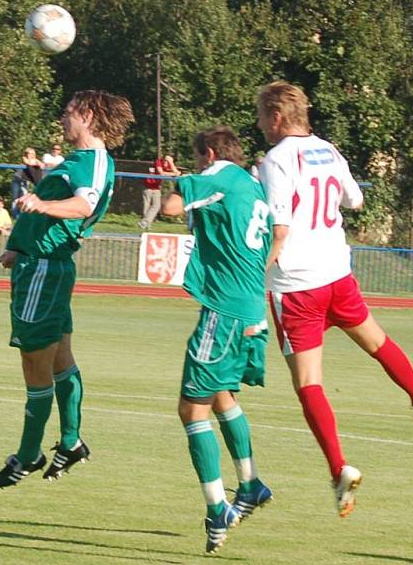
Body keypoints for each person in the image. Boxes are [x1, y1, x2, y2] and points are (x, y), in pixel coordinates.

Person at [256, 81, 413, 518]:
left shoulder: (277, 159)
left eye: (263, 117)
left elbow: (280, 229)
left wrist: (256, 274)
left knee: (309, 384)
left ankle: (339, 467)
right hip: (337, 273)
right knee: (377, 341)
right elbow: (354, 199)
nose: (261, 125)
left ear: (277, 117)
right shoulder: (327, 149)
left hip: (297, 284)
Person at [0, 89, 134, 489]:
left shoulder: (94, 161)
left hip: (45, 271)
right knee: (59, 360)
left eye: (68, 112)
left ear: (87, 115)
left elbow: (83, 206)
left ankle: (29, 453)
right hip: (36, 263)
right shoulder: (77, 160)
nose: (62, 119)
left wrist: (41, 205)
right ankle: (70, 443)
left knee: (34, 364)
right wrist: (19, 245)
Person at [161, 126, 273, 555]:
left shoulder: (220, 177)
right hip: (251, 308)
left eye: (197, 160)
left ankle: (217, 508)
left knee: (191, 407)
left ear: (208, 154)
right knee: (223, 396)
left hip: (224, 312)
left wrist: (180, 184)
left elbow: (173, 206)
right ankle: (250, 484)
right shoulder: (250, 183)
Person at [138, 154, 180, 230]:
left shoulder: (167, 165)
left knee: (156, 206)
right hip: (148, 187)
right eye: (166, 161)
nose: (166, 163)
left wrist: (171, 163)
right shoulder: (158, 162)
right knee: (146, 206)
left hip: (156, 188)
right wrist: (173, 173)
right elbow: (161, 173)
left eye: (168, 162)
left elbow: (177, 173)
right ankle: (146, 224)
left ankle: (144, 222)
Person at [12, 148, 44, 218]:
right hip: (17, 179)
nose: (30, 155)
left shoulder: (35, 160)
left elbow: (42, 165)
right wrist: (35, 163)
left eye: (32, 153)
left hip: (25, 180)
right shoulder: (24, 158)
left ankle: (21, 215)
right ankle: (15, 215)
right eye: (28, 153)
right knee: (15, 197)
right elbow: (28, 162)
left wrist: (37, 163)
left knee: (24, 195)